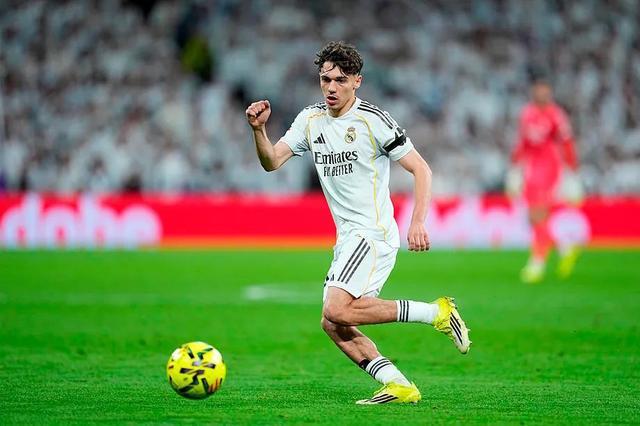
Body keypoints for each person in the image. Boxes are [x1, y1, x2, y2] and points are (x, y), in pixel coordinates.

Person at [245, 41, 471, 405]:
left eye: (340, 80)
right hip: (348, 237)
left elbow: (421, 169)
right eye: (325, 80)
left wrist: (418, 222)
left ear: (357, 82)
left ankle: (436, 312)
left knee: (335, 309)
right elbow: (271, 161)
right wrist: (259, 130)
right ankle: (398, 384)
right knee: (333, 322)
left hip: (372, 233)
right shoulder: (310, 120)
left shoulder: (373, 120)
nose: (331, 87)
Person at [508, 71, 581, 284]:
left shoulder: (556, 115)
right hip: (532, 168)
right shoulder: (527, 114)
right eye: (538, 89)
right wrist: (515, 167)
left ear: (549, 92)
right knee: (534, 217)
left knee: (538, 213)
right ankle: (565, 247)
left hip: (550, 167)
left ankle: (537, 263)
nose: (541, 93)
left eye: (545, 90)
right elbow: (523, 142)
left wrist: (572, 172)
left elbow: (567, 143)